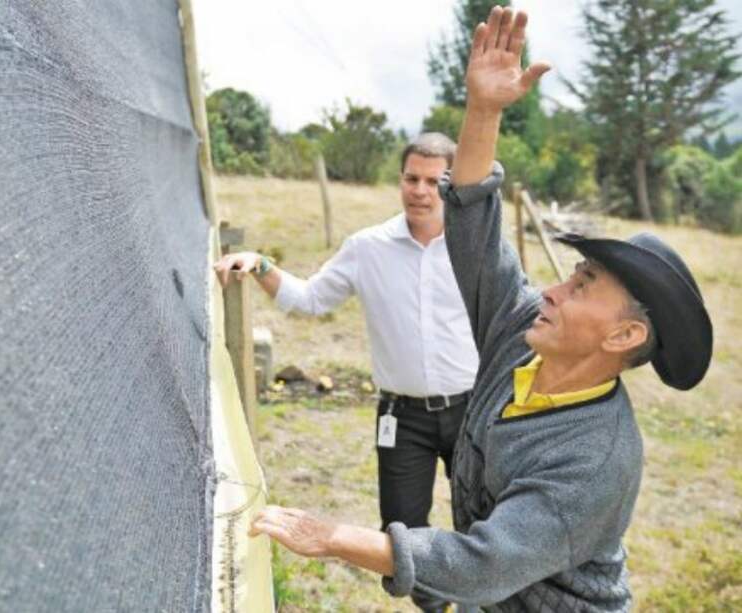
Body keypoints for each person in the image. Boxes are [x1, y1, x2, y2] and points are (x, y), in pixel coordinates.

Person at [248, 7, 713, 612]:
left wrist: (331, 537)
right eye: (570, 275)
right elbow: (474, 231)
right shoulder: (521, 336)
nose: (552, 291)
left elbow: (480, 564)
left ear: (624, 335)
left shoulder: (593, 459)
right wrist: (484, 111)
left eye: (582, 286)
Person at [214, 132, 480, 539]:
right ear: (400, 180)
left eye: (433, 181)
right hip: (403, 419)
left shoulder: (474, 245)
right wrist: (260, 265)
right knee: (400, 536)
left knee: (482, 526)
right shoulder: (368, 248)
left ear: (450, 185)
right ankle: (429, 584)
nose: (420, 191)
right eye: (412, 179)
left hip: (472, 410)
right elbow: (309, 299)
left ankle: (470, 585)